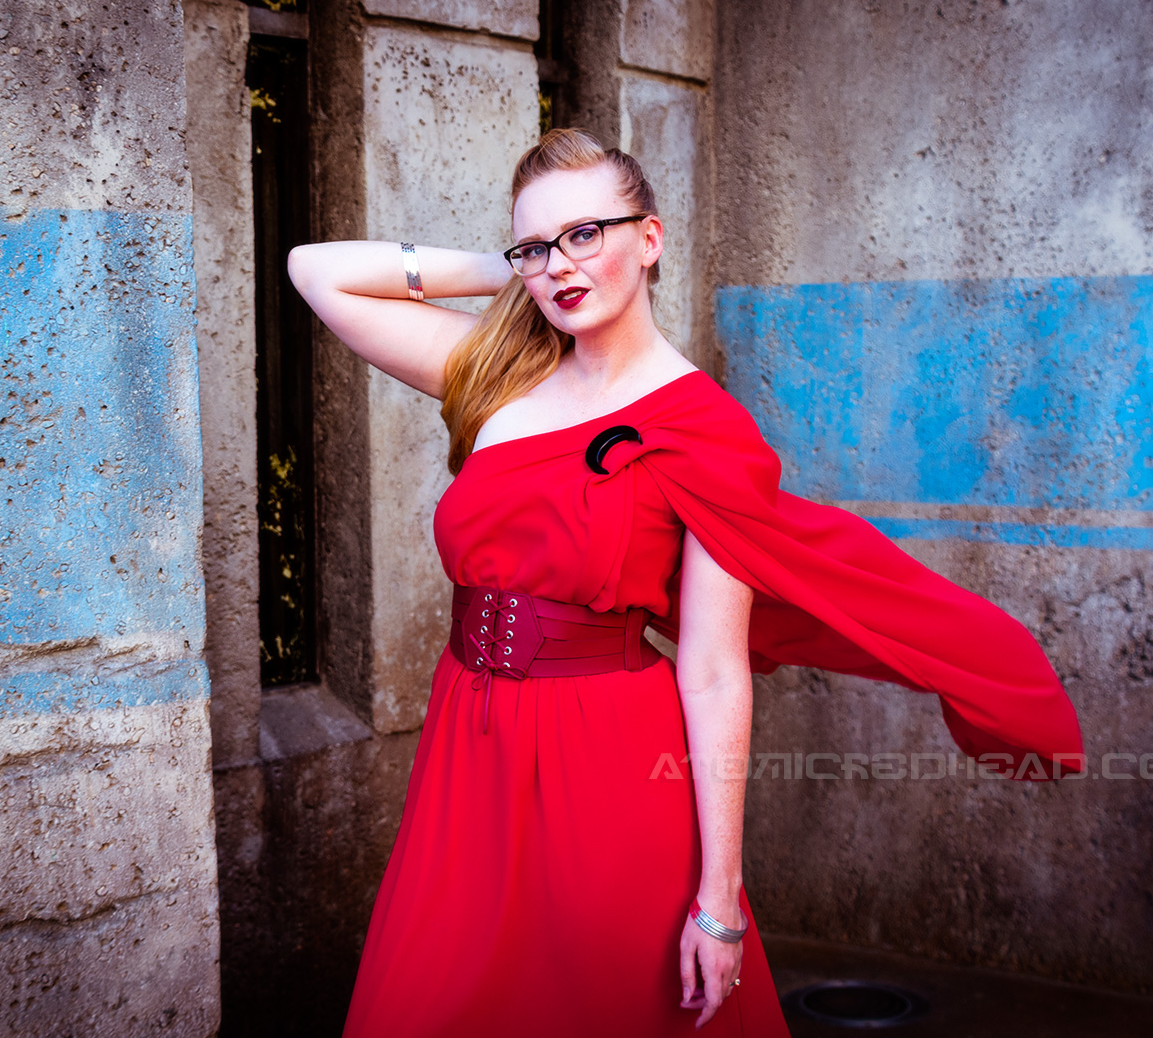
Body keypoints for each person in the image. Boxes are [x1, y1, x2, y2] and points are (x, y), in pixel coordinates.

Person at [287, 129, 1083, 1037]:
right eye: (537, 244)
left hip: (604, 755)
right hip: (468, 746)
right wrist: (515, 273)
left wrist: (719, 896)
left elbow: (711, 669)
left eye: (587, 234)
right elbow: (317, 270)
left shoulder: (703, 429)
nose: (562, 264)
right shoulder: (497, 374)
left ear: (650, 238)